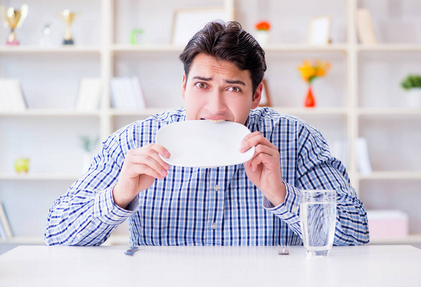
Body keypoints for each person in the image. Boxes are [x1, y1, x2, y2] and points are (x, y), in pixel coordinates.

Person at [45, 21, 369, 246]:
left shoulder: (298, 140)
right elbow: (57, 233)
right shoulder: (133, 141)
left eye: (233, 89)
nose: (215, 107)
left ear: (256, 96)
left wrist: (282, 195)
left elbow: (356, 235)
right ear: (184, 86)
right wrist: (119, 194)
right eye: (202, 85)